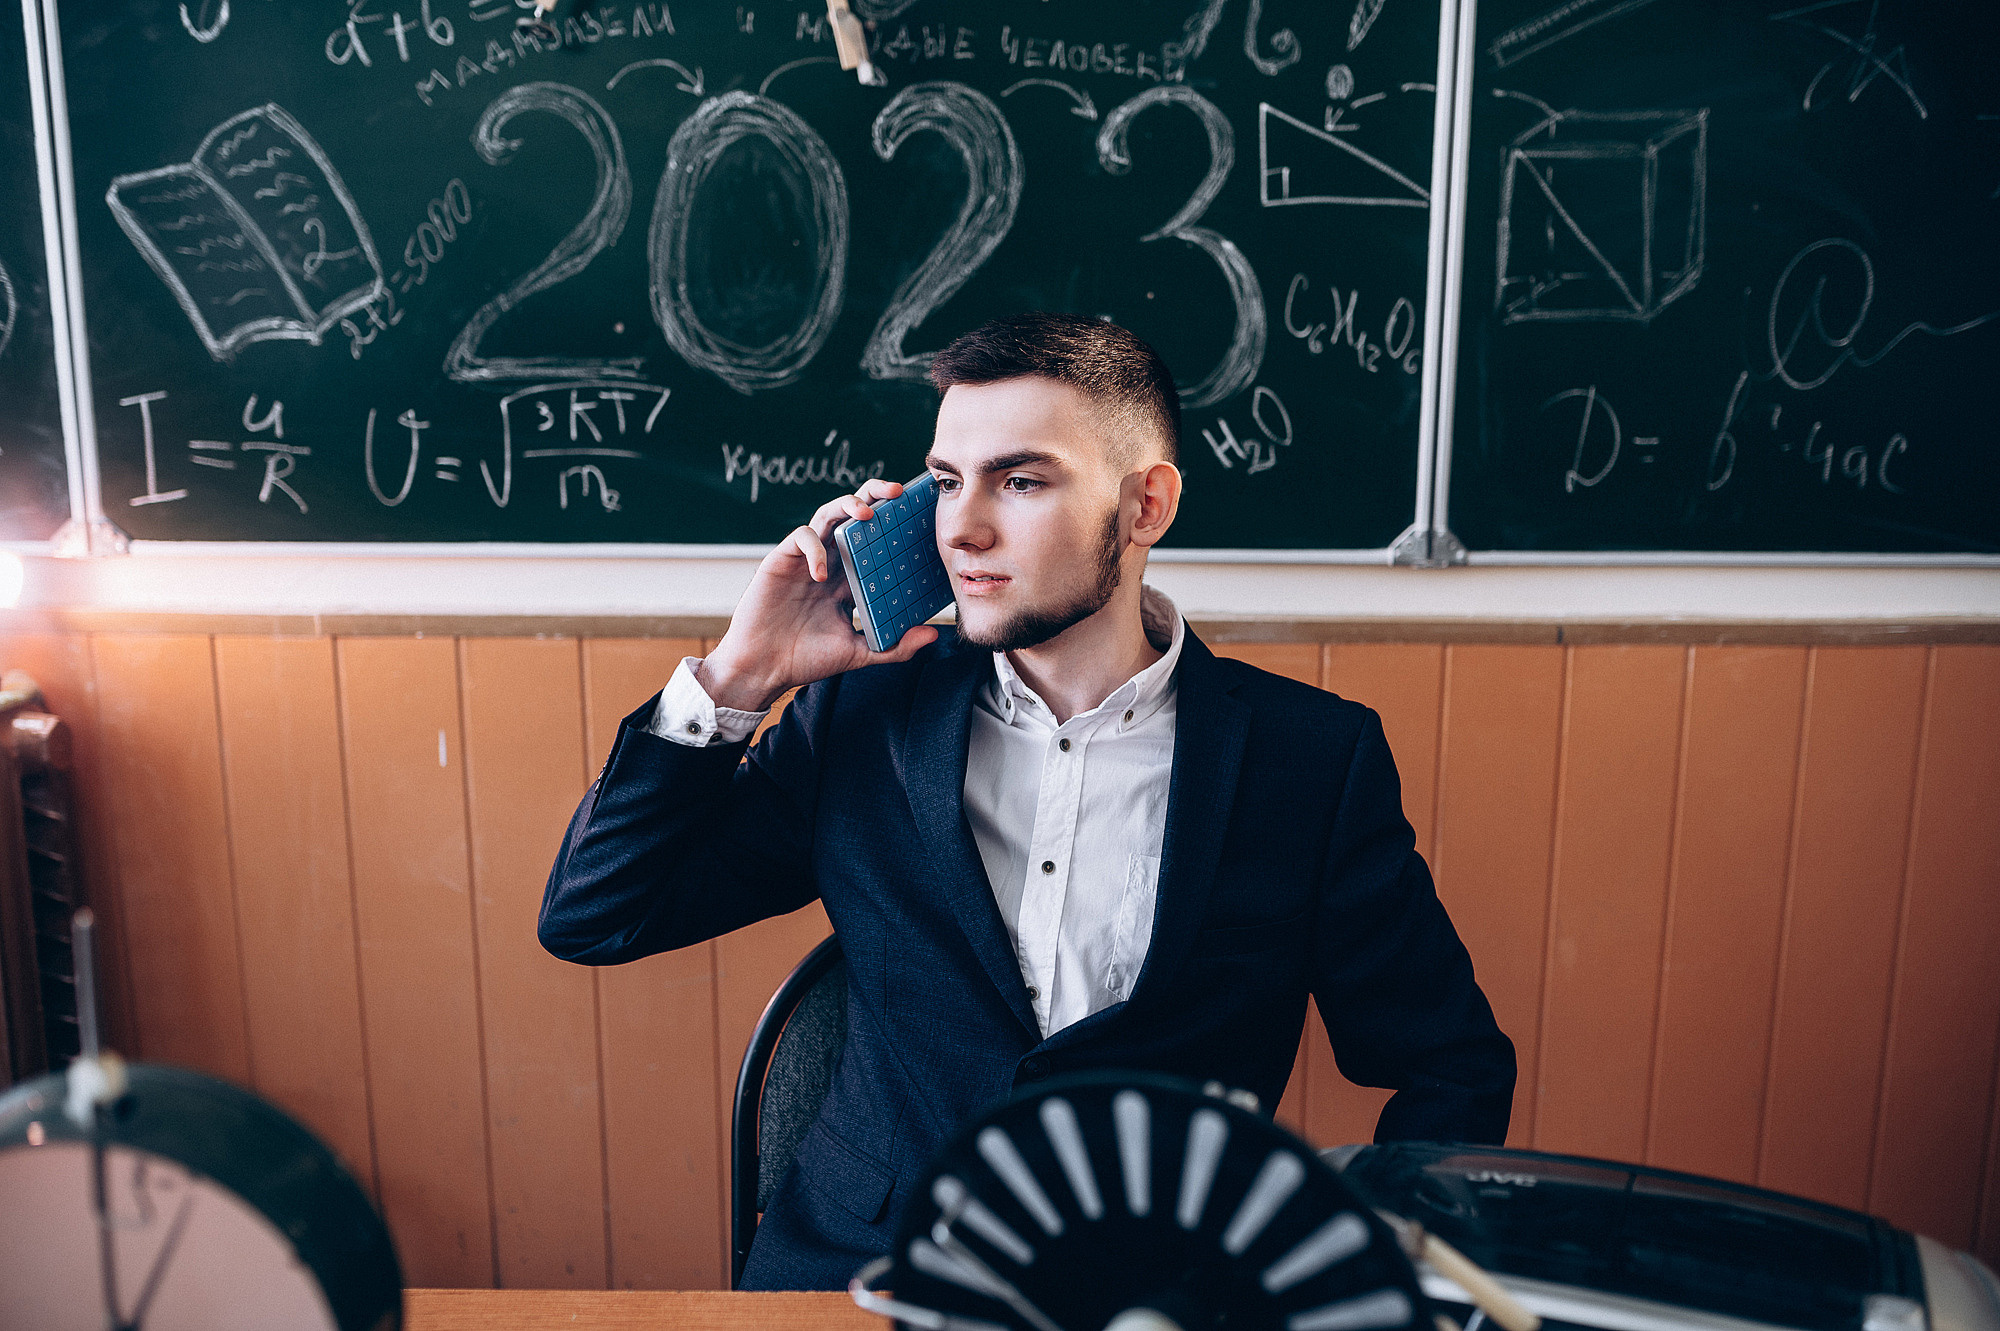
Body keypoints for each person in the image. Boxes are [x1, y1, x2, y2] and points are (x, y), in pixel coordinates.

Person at [539, 313, 1515, 1291]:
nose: (960, 527)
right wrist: (741, 671)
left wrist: (1371, 1264)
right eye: (947, 479)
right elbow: (597, 913)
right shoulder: (861, 717)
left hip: (1157, 1297)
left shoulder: (1307, 760)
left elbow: (1450, 1061)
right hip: (861, 1279)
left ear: (1144, 507)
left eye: (1020, 479)